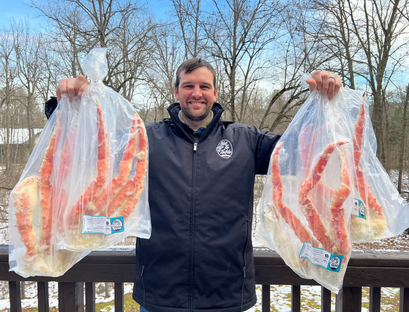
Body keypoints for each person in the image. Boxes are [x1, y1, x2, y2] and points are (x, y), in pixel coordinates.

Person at [52, 59, 341, 312]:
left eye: (204, 86)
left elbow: (302, 152)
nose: (196, 93)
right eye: (188, 86)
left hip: (226, 295)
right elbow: (91, 149)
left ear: (215, 93)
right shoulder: (144, 139)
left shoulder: (246, 140)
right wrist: (68, 106)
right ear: (176, 92)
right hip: (159, 295)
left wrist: (323, 106)